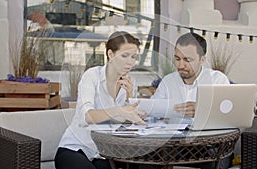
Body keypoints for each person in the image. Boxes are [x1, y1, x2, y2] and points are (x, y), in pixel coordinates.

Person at [54, 31, 147, 169]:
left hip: (104, 154)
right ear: (110, 55)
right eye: (125, 56)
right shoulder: (92, 76)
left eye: (133, 57)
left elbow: (125, 126)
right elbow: (88, 116)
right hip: (75, 149)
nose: (130, 62)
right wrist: (119, 110)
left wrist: (129, 99)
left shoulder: (130, 82)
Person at [149, 32, 230, 169]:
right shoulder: (168, 82)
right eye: (177, 58)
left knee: (214, 162)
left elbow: (229, 117)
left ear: (202, 59)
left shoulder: (218, 80)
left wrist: (202, 110)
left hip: (208, 145)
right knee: (146, 159)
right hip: (172, 145)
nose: (181, 65)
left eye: (187, 60)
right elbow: (154, 110)